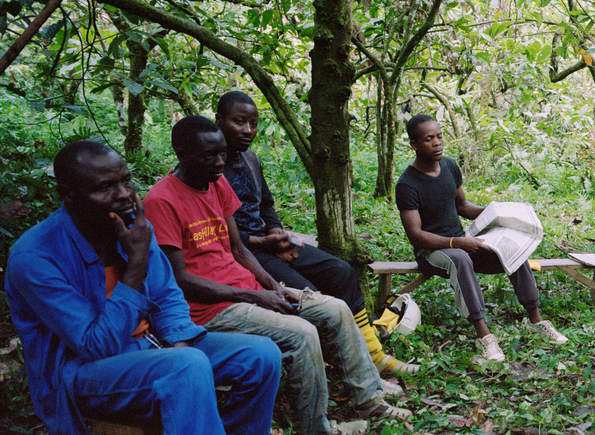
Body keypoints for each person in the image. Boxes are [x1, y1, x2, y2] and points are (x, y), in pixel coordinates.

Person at [143, 116, 409, 435]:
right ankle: (316, 427)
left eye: (222, 154)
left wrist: (272, 287)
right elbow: (181, 281)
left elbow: (238, 248)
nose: (219, 163)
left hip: (246, 292)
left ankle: (368, 397)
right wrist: (255, 296)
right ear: (181, 152)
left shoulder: (215, 181)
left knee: (335, 308)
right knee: (301, 333)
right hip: (209, 310)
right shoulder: (161, 201)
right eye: (208, 155)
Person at [5, 141, 281, 435]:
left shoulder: (128, 226)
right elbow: (96, 346)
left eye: (125, 180)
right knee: (185, 367)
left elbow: (168, 295)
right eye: (105, 187)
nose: (124, 195)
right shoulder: (36, 257)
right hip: (82, 373)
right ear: (68, 195)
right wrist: (135, 266)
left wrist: (179, 343)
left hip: (153, 347)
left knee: (261, 354)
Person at [215, 91, 417, 376]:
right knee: (311, 295)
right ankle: (342, 362)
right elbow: (216, 232)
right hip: (244, 252)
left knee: (341, 271)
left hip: (268, 242)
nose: (248, 130)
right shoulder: (209, 164)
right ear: (220, 121)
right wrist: (261, 240)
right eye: (239, 122)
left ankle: (374, 355)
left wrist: (275, 230)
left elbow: (266, 204)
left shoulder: (250, 158)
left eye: (253, 123)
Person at [395, 114, 567, 364]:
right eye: (428, 139)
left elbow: (463, 207)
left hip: (461, 242)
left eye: (439, 136)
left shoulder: (450, 167)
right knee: (461, 259)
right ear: (414, 144)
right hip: (432, 252)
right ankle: (484, 336)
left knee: (513, 250)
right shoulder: (407, 184)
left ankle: (536, 320)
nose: (437, 143)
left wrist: (501, 212)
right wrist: (456, 243)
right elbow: (417, 237)